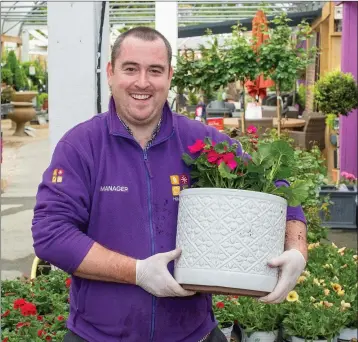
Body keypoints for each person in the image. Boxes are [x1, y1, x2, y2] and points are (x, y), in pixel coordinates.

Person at [32, 27, 308, 342]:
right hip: (98, 336)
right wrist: (136, 272)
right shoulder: (82, 146)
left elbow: (276, 184)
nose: (142, 82)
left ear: (169, 75)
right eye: (130, 69)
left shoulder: (201, 142)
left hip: (193, 334)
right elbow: (50, 234)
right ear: (110, 73)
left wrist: (297, 249)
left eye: (155, 71)